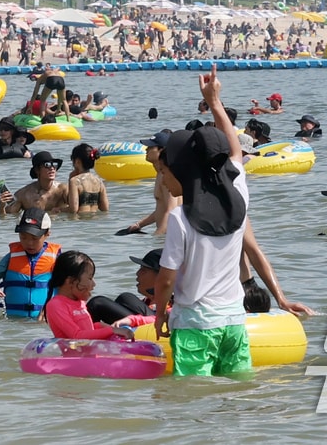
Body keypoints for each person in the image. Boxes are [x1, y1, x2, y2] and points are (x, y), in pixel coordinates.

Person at [152, 67, 252, 377]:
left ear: (183, 171)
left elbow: (166, 280)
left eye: (166, 173)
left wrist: (158, 315)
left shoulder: (181, 218)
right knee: (237, 390)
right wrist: (215, 101)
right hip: (234, 323)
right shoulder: (238, 194)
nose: (164, 181)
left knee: (193, 398)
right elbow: (233, 150)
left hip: (196, 325)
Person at [0, 207, 60, 319]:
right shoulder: (11, 258)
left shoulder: (57, 258)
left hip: (44, 323)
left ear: (47, 233)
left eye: (34, 238)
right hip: (14, 323)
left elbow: (70, 288)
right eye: (23, 237)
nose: (29, 243)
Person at [43, 250, 134, 340]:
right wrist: (112, 331)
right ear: (70, 281)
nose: (94, 284)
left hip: (89, 351)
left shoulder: (80, 302)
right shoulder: (56, 305)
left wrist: (103, 326)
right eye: (90, 278)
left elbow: (87, 329)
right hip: (74, 354)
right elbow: (76, 335)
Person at [118, 130, 181, 235]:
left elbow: (171, 210)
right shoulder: (160, 174)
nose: (146, 149)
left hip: (169, 235)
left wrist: (157, 236)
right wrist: (139, 224)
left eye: (151, 147)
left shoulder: (166, 176)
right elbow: (161, 210)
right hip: (166, 234)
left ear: (161, 150)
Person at [0, 151, 69, 215]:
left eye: (54, 165)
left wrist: (61, 210)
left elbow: (77, 210)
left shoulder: (63, 189)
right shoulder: (23, 194)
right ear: (37, 170)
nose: (52, 168)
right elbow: (7, 218)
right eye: (47, 165)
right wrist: (1, 206)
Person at [65, 143, 109, 214]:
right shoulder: (99, 181)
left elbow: (73, 209)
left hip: (81, 222)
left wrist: (59, 209)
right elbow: (105, 208)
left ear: (77, 161)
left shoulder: (75, 181)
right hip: (94, 221)